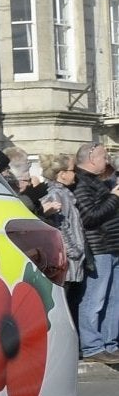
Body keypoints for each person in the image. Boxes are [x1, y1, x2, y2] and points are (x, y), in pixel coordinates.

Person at [72, 144, 119, 363]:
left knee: (114, 299)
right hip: (98, 248)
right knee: (95, 299)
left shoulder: (96, 182)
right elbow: (90, 217)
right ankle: (92, 346)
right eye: (103, 155)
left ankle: (110, 342)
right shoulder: (82, 184)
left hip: (112, 246)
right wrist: (114, 197)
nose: (106, 160)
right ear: (91, 157)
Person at [38, 151, 87, 325]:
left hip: (74, 262)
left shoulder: (65, 193)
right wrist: (75, 250)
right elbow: (59, 227)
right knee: (63, 309)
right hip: (67, 263)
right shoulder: (55, 195)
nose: (75, 174)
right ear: (62, 174)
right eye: (72, 170)